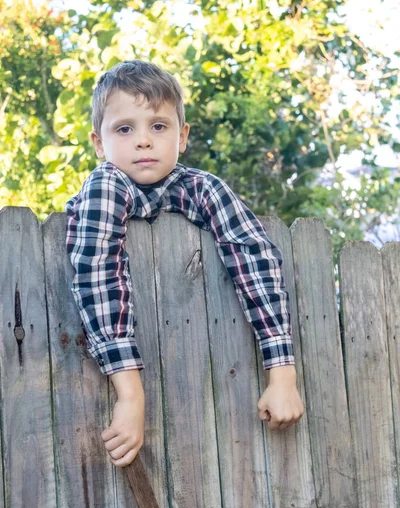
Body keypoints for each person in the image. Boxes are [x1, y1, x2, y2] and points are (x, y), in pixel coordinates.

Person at [65, 60, 304, 468]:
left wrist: (282, 375)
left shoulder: (202, 186)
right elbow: (98, 273)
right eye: (125, 129)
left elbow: (254, 257)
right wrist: (130, 395)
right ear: (99, 144)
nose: (144, 141)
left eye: (158, 126)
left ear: (183, 136)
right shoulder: (104, 184)